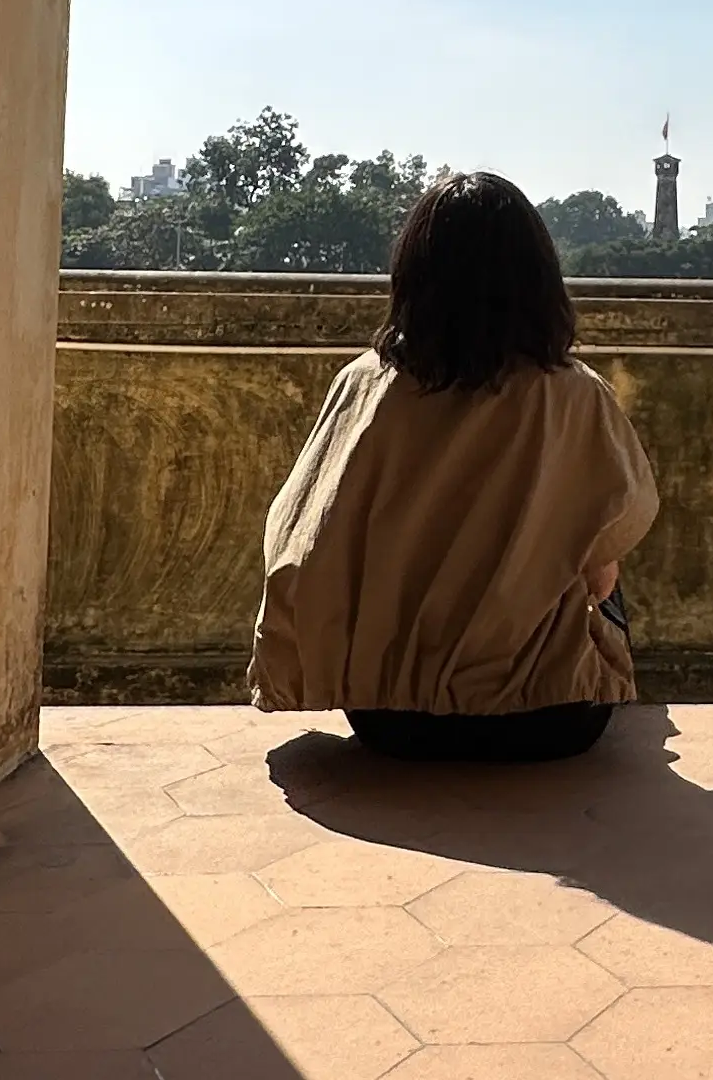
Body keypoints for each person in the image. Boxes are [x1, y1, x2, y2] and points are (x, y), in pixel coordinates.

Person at [248, 168, 658, 761]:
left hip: (389, 717)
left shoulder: (363, 387)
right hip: (548, 717)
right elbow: (602, 571)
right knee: (600, 559)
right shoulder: (572, 397)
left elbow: (297, 542)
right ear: (537, 279)